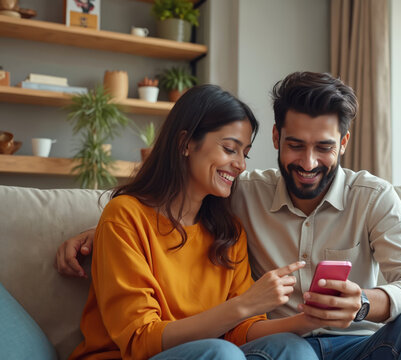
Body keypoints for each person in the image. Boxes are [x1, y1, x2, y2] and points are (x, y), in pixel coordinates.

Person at [58, 72, 401, 359]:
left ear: (344, 143)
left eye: (324, 147)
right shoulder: (239, 197)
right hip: (277, 348)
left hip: (353, 342)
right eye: (295, 145)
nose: (308, 161)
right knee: (275, 350)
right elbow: (159, 213)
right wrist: (101, 230)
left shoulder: (231, 221)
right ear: (276, 139)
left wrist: (364, 304)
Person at [67, 84, 321, 360]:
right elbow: (139, 340)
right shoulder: (125, 217)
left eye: (244, 153)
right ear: (185, 143)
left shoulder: (229, 232)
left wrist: (306, 321)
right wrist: (243, 304)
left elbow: (239, 331)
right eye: (229, 149)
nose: (241, 165)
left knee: (292, 348)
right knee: (221, 354)